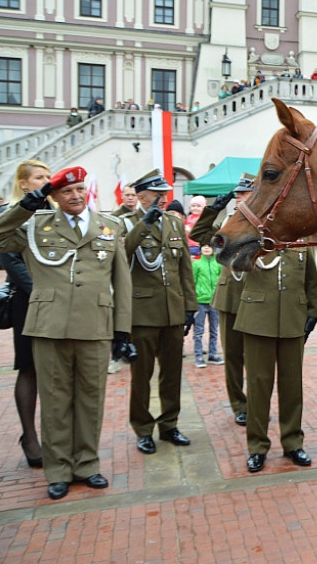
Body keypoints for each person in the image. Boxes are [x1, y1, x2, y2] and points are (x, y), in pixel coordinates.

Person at [0, 166, 132, 500]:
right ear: (54, 197)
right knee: (55, 399)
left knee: (91, 399)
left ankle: (87, 464)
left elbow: (122, 282)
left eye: (79, 190)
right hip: (50, 326)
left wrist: (122, 330)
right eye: (66, 192)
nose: (75, 196)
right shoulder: (36, 226)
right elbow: (0, 235)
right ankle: (57, 470)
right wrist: (26, 206)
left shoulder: (110, 226)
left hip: (95, 325)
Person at [122, 170, 198, 455]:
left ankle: (169, 424)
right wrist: (143, 225)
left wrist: (189, 306)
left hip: (172, 311)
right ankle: (143, 428)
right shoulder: (126, 222)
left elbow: (184, 269)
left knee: (172, 373)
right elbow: (122, 253)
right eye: (157, 194)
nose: (163, 199)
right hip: (142, 312)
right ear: (141, 196)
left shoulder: (173, 224)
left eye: (165, 194)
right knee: (142, 375)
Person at [236, 244, 317, 472]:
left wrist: (314, 311)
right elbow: (235, 264)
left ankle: (293, 442)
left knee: (292, 386)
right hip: (257, 321)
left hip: (293, 319)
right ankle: (257, 447)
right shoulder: (255, 239)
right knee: (258, 386)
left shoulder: (301, 243)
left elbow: (311, 280)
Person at [189, 174, 257, 426]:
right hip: (229, 297)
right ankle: (239, 404)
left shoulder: (262, 225)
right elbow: (198, 234)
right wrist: (212, 209)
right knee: (233, 357)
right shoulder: (227, 223)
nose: (238, 198)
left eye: (244, 194)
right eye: (237, 194)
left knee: (256, 358)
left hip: (255, 298)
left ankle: (257, 404)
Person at [0, 160, 51, 469]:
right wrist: (44, 292)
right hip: (29, 302)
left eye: (47, 176)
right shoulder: (12, 215)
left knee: (57, 371)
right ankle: (29, 436)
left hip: (59, 302)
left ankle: (57, 436)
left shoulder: (55, 213)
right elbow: (12, 262)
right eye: (38, 177)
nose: (45, 181)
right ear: (24, 183)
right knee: (29, 368)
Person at [191, 243, 223, 368]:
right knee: (198, 331)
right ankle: (198, 355)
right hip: (200, 302)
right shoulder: (196, 264)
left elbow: (221, 282)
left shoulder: (218, 264)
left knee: (214, 330)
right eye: (203, 246)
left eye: (209, 246)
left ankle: (212, 354)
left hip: (214, 302)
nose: (206, 248)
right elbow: (193, 282)